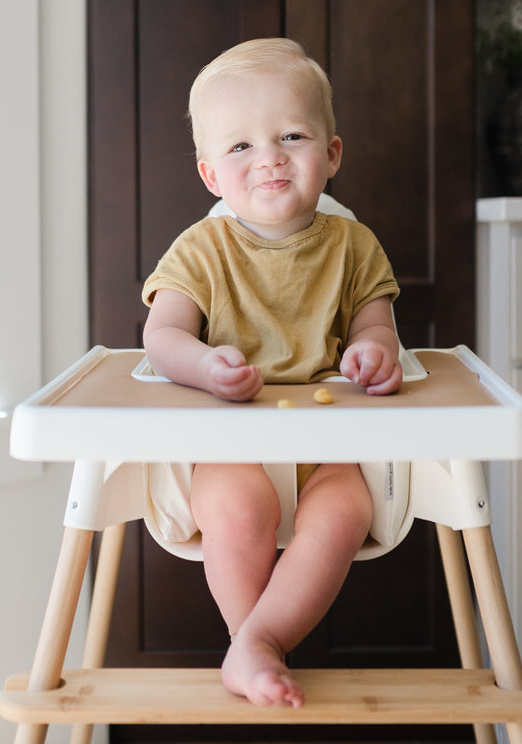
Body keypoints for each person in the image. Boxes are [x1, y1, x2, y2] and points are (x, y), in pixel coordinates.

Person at [142, 38, 401, 709]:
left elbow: (378, 327)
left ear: (332, 154)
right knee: (236, 508)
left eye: (291, 135)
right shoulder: (201, 249)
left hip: (328, 442)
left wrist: (373, 353)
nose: (271, 158)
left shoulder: (354, 245)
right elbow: (161, 336)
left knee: (345, 511)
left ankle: (259, 641)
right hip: (234, 437)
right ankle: (249, 639)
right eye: (241, 147)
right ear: (210, 175)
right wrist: (203, 364)